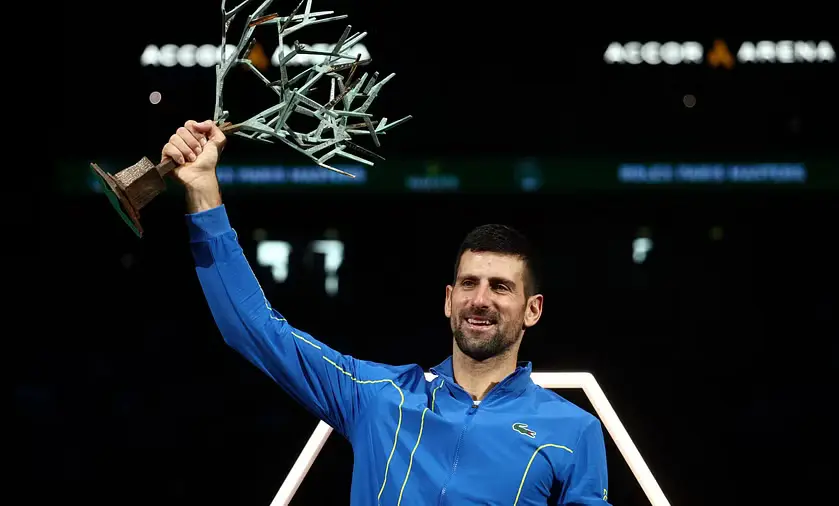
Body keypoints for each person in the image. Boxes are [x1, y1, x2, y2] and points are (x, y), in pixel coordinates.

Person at [164, 120, 612, 505]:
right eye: (469, 284)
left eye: (500, 287)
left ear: (532, 309)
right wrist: (203, 190)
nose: (480, 300)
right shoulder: (379, 397)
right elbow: (253, 327)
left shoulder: (573, 430)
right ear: (448, 300)